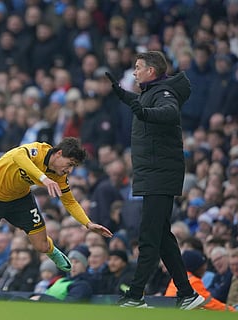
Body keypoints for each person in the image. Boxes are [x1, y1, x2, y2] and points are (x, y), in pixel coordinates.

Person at [105, 51, 205, 309]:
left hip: (160, 175)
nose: (135, 72)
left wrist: (142, 109)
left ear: (152, 71)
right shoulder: (153, 93)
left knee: (149, 236)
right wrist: (127, 98)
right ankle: (187, 294)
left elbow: (168, 112)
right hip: (156, 174)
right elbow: (148, 108)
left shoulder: (164, 94)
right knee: (161, 237)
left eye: (138, 67)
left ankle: (136, 295)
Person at [0, 137, 112, 300]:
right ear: (59, 154)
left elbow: (69, 201)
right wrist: (44, 179)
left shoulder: (59, 176)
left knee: (42, 246)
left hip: (19, 201)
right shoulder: (38, 150)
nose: (69, 170)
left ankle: (52, 250)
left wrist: (87, 223)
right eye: (70, 163)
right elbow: (18, 156)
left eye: (73, 166)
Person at [165, 250, 235, 312]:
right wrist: (232, 310)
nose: (205, 269)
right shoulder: (193, 282)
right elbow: (210, 304)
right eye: (203, 266)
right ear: (196, 267)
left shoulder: (177, 279)